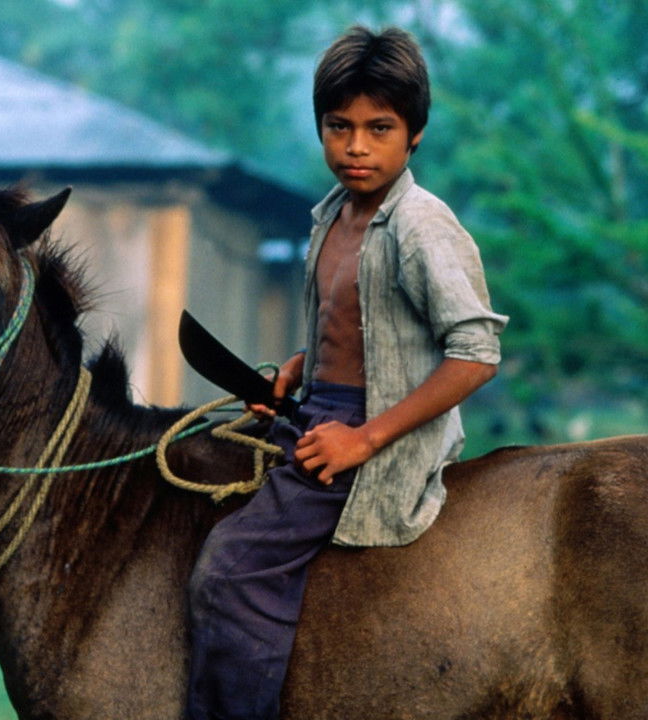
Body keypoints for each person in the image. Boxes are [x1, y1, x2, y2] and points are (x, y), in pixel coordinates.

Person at [186, 26, 508, 720]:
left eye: (379, 128)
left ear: (414, 134)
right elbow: (353, 319)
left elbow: (477, 353)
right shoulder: (332, 213)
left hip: (374, 433)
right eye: (339, 127)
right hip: (319, 405)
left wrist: (362, 441)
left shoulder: (422, 227)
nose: (356, 146)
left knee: (231, 567)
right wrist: (301, 367)